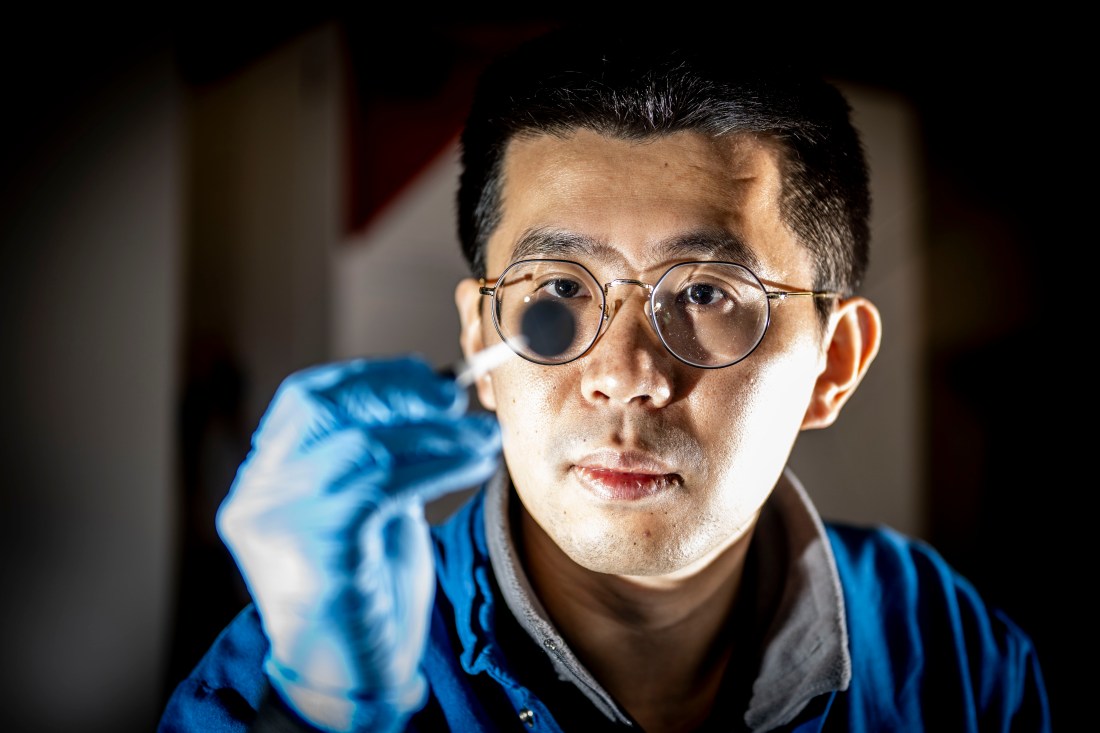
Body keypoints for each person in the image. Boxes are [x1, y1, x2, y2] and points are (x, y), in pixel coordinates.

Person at [158, 24, 1050, 733]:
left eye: (705, 291)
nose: (626, 377)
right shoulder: (283, 680)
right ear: (482, 334)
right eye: (557, 291)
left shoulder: (950, 652)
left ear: (835, 363)